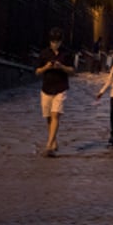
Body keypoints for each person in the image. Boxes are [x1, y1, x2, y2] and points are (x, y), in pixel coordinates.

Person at [35, 26, 75, 157]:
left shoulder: (67, 54)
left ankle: (49, 145)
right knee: (48, 117)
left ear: (61, 41)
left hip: (61, 87)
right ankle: (54, 140)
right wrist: (46, 67)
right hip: (46, 88)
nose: (55, 44)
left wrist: (61, 67)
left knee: (55, 115)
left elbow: (72, 71)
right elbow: (37, 71)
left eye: (57, 41)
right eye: (53, 41)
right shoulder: (44, 54)